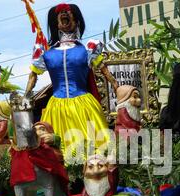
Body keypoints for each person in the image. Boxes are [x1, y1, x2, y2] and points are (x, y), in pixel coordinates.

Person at [24, 3, 118, 160]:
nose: (64, 15)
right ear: (56, 23)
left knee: (97, 149)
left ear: (77, 21)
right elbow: (33, 75)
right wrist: (26, 96)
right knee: (55, 149)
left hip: (84, 106)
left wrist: (117, 87)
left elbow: (104, 70)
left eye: (68, 13)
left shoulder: (88, 49)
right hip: (57, 108)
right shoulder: (45, 53)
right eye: (60, 14)